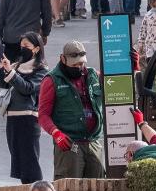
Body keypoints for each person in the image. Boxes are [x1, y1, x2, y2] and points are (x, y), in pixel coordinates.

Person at [39, 41, 106, 178]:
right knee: (69, 190)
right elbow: (43, 115)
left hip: (93, 141)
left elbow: (120, 86)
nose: (79, 67)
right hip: (69, 144)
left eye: (81, 64)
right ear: (63, 59)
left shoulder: (93, 75)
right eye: (74, 65)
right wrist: (56, 133)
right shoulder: (51, 80)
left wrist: (133, 68)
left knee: (98, 189)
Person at [0, 32, 47, 182]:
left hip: (28, 120)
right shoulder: (17, 66)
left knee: (30, 160)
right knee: (18, 159)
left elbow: (27, 88)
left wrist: (11, 72)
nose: (22, 48)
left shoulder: (41, 71)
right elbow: (2, 83)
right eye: (21, 45)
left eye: (26, 46)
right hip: (12, 118)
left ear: (36, 49)